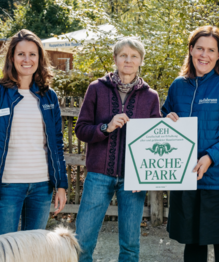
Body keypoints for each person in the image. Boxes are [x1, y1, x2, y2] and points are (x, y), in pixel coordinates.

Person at [162, 25, 219, 262]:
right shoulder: (177, 86)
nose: (204, 55)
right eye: (200, 48)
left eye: (211, 50)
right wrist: (164, 120)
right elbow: (162, 125)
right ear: (191, 50)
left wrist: (211, 156)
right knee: (192, 243)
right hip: (186, 178)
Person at [0, 29, 68, 236]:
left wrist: (61, 185)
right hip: (6, 187)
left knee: (33, 252)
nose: (27, 59)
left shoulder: (48, 96)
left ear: (40, 58)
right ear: (11, 58)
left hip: (42, 187)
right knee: (4, 252)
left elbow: (57, 145)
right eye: (21, 54)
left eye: (32, 54)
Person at [74, 37, 161, 262]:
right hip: (98, 176)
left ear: (141, 60)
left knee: (130, 245)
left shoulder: (151, 97)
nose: (128, 60)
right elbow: (81, 130)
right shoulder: (96, 89)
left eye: (134, 56)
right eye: (123, 55)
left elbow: (155, 140)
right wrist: (106, 127)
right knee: (82, 241)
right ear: (115, 59)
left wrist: (168, 123)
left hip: (134, 180)